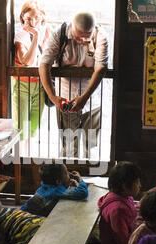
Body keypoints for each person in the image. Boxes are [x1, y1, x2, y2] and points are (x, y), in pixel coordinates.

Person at [39, 12, 108, 158]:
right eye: (78, 36)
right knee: (69, 147)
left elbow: (101, 68)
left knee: (92, 147)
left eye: (87, 36)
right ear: (72, 27)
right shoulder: (60, 34)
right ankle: (69, 177)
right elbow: (44, 64)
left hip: (92, 99)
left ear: (93, 29)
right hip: (65, 99)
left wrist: (84, 97)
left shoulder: (101, 36)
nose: (83, 40)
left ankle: (90, 177)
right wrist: (53, 97)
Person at [12, 1, 50, 155]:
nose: (32, 22)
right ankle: (20, 164)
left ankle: (28, 160)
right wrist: (36, 36)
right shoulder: (20, 34)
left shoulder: (47, 31)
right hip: (22, 84)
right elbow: (26, 62)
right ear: (22, 18)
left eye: (36, 18)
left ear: (42, 17)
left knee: (33, 128)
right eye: (28, 19)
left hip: (40, 84)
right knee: (21, 129)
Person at [97, 161, 142, 244]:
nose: (140, 185)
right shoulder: (118, 209)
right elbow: (123, 242)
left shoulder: (124, 197)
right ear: (125, 186)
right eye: (137, 182)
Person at [20, 163, 88, 217]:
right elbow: (82, 193)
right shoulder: (56, 191)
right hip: (26, 218)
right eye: (66, 173)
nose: (69, 174)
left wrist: (65, 184)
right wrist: (80, 180)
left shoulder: (45, 185)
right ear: (58, 181)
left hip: (21, 212)